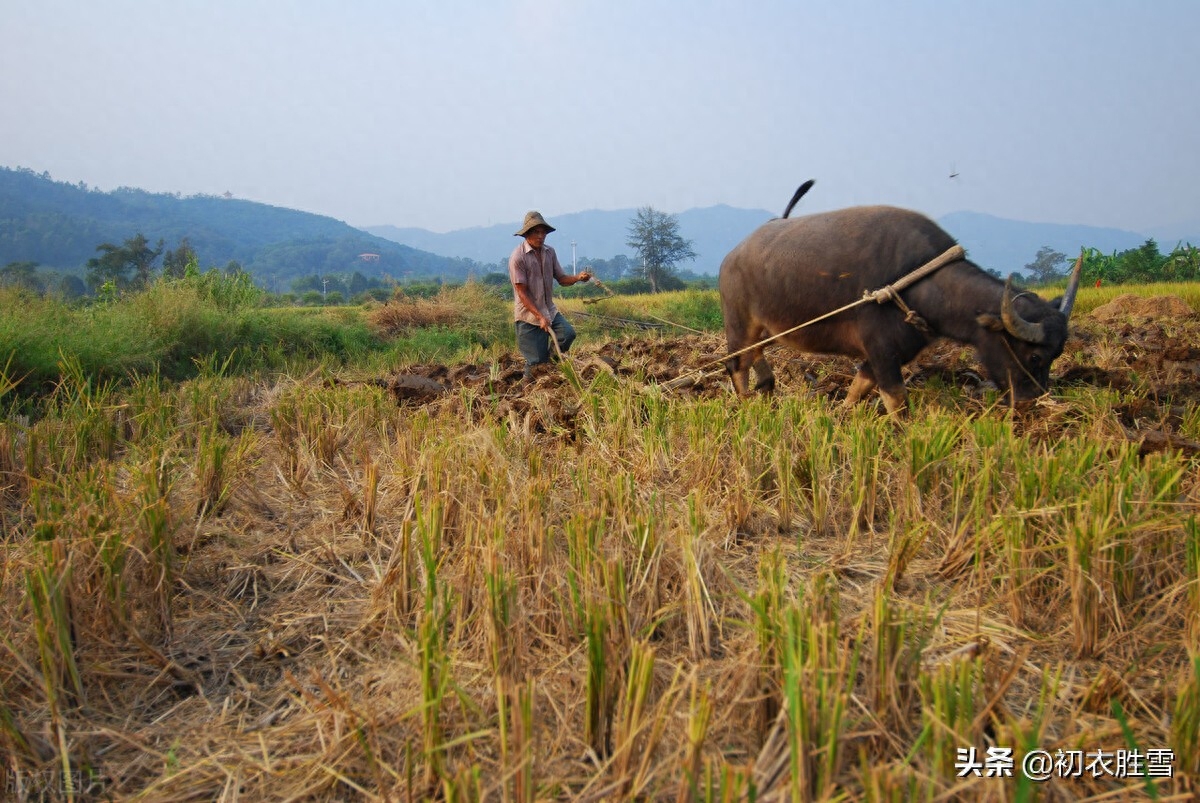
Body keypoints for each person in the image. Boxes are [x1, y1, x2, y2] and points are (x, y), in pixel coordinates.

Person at [508, 211, 592, 379]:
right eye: (536, 232)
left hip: (549, 311)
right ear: (527, 234)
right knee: (535, 364)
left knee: (567, 334)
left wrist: (577, 278)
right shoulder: (518, 257)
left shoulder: (549, 252)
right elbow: (522, 292)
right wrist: (539, 316)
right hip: (528, 316)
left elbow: (561, 279)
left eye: (543, 232)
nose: (541, 236)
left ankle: (551, 363)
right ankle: (527, 391)